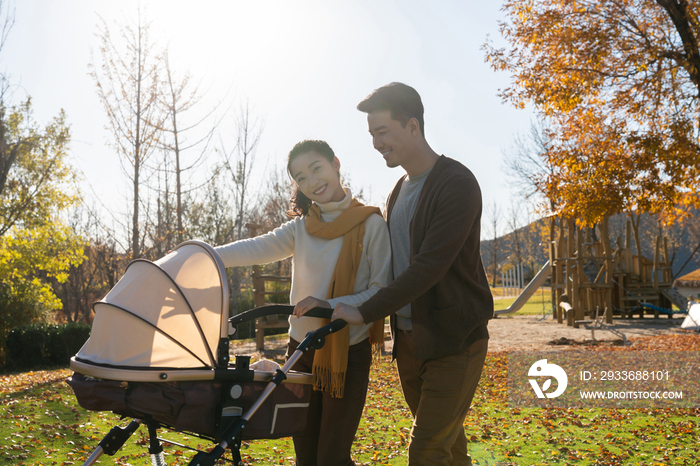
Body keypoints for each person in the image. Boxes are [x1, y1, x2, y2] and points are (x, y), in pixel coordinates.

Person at [331, 83, 494, 466]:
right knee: (449, 450)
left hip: (454, 341)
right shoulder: (397, 191)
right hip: (409, 343)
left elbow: (429, 266)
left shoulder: (456, 183)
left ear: (413, 127)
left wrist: (364, 310)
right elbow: (388, 266)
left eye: (382, 132)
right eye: (371, 134)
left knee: (426, 452)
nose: (376, 143)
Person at [215, 139, 391, 466]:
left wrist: (327, 303)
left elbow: (382, 291)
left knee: (331, 458)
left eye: (316, 169)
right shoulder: (301, 227)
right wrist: (207, 255)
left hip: (347, 353)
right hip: (300, 351)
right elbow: (258, 247)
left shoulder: (371, 224)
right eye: (301, 178)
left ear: (336, 164)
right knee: (306, 456)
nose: (312, 182)